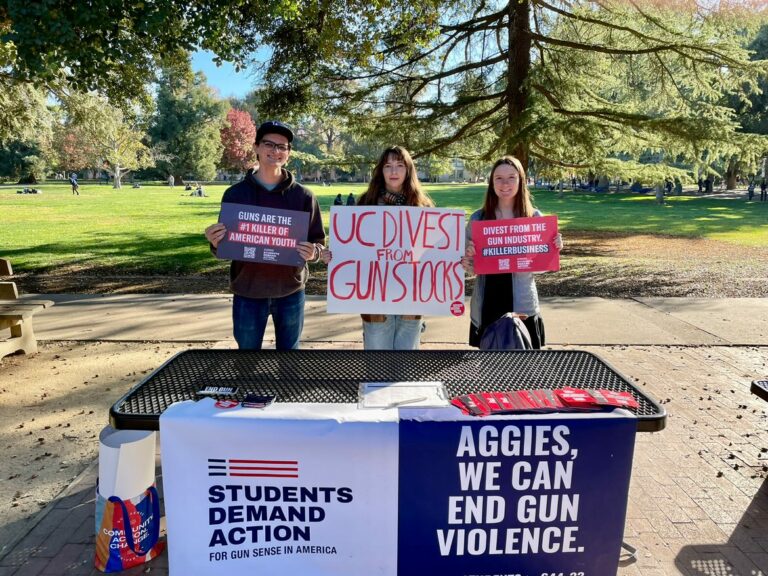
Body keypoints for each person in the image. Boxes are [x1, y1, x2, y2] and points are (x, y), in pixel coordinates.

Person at [204, 120, 325, 350]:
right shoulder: (236, 194)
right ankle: (249, 387)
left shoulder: (304, 196)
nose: (276, 151)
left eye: (283, 147)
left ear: (288, 153)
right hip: (248, 291)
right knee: (247, 359)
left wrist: (314, 253)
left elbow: (318, 242)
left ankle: (287, 389)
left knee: (289, 359)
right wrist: (215, 241)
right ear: (257, 147)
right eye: (269, 144)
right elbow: (225, 246)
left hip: (290, 290)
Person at [322, 145, 433, 350]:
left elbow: (434, 250)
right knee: (377, 361)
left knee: (405, 365)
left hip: (412, 294)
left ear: (408, 170)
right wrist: (335, 254)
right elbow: (351, 246)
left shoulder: (422, 206)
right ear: (380, 171)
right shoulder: (366, 203)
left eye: (399, 165)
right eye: (388, 166)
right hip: (374, 298)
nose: (393, 171)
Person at [462, 156, 563, 350]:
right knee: (490, 370)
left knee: (525, 371)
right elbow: (470, 266)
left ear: (521, 180)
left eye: (511, 177)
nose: (505, 183)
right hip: (488, 303)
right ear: (491, 182)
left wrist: (553, 248)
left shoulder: (533, 217)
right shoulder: (479, 218)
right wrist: (467, 261)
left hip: (522, 303)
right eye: (498, 178)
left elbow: (540, 267)